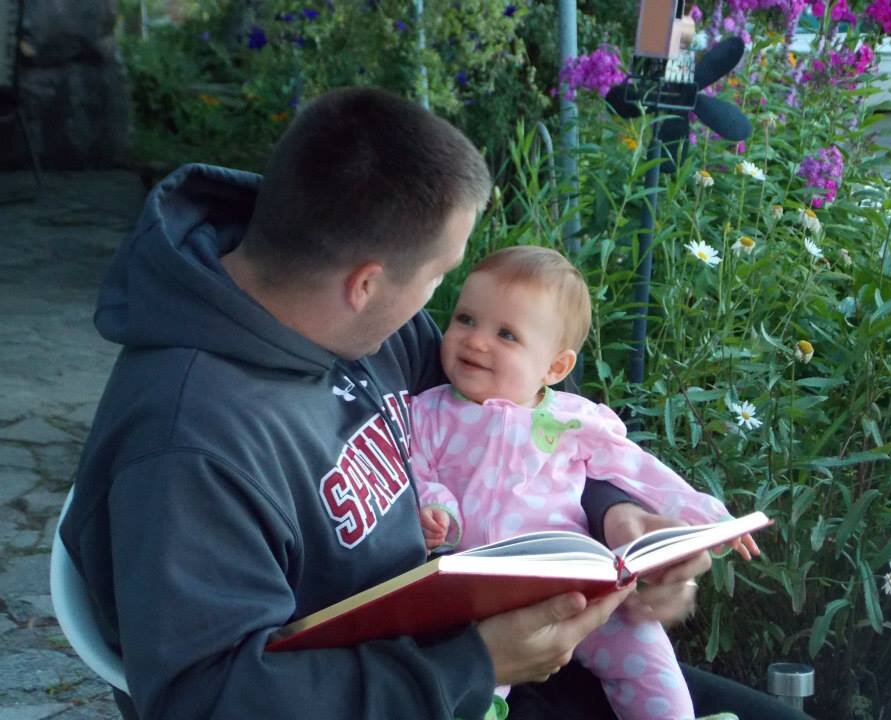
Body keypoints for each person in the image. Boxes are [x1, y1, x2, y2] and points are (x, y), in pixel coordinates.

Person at [59, 86, 704, 720]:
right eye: (435, 279)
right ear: (365, 283)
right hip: (424, 686)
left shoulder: (360, 322)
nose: (438, 313)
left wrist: (612, 510)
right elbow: (207, 698)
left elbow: (496, 415)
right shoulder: (186, 446)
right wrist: (472, 665)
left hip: (475, 661)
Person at [411, 246, 760, 720]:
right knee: (480, 672)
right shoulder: (430, 411)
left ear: (555, 368)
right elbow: (416, 470)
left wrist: (707, 519)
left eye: (506, 334)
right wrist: (440, 511)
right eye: (465, 319)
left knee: (644, 653)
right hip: (483, 593)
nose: (475, 341)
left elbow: (636, 469)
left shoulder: (573, 418)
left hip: (578, 580)